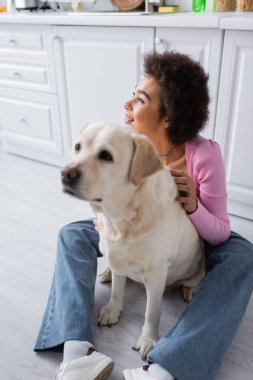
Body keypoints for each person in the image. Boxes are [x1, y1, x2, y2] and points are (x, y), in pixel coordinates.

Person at [34, 51, 253, 380]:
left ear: (167, 117)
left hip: (194, 232)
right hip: (129, 228)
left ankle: (168, 366)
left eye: (139, 99)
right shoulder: (122, 141)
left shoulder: (203, 155)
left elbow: (220, 232)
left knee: (242, 254)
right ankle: (77, 350)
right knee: (70, 234)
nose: (126, 105)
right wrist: (103, 221)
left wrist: (193, 204)